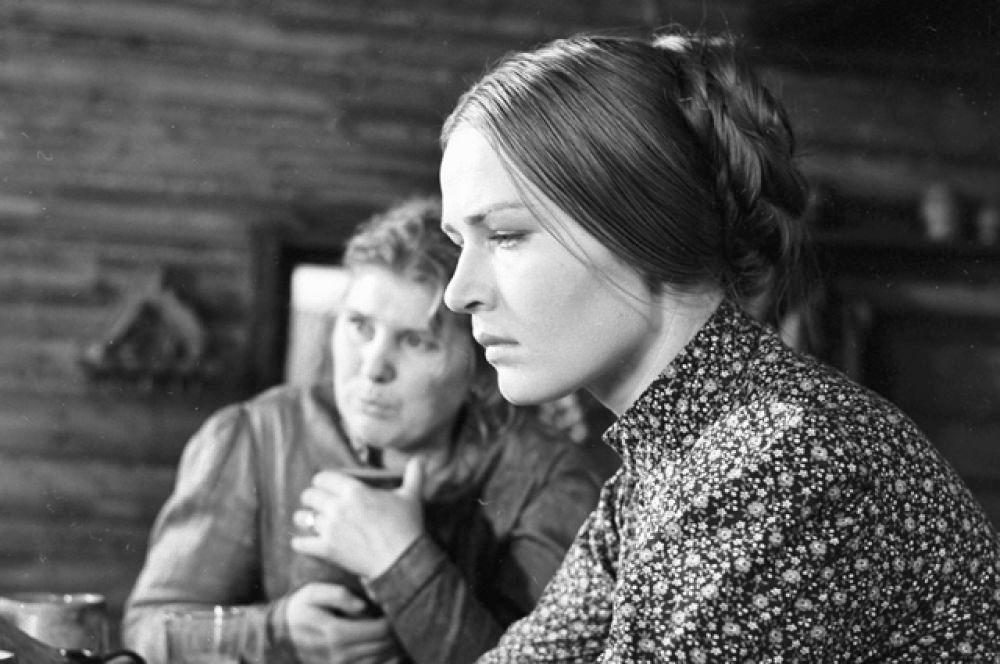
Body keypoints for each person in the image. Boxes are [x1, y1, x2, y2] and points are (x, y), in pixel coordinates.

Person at [438, 30, 1000, 661]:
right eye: (459, 242)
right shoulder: (667, 461)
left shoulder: (780, 463)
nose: (458, 293)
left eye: (506, 235)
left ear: (641, 225)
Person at [121, 197, 611, 664]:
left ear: (480, 366)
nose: (373, 367)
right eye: (360, 326)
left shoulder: (545, 477)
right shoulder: (259, 436)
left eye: (416, 341)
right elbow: (147, 631)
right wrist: (276, 630)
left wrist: (401, 560)